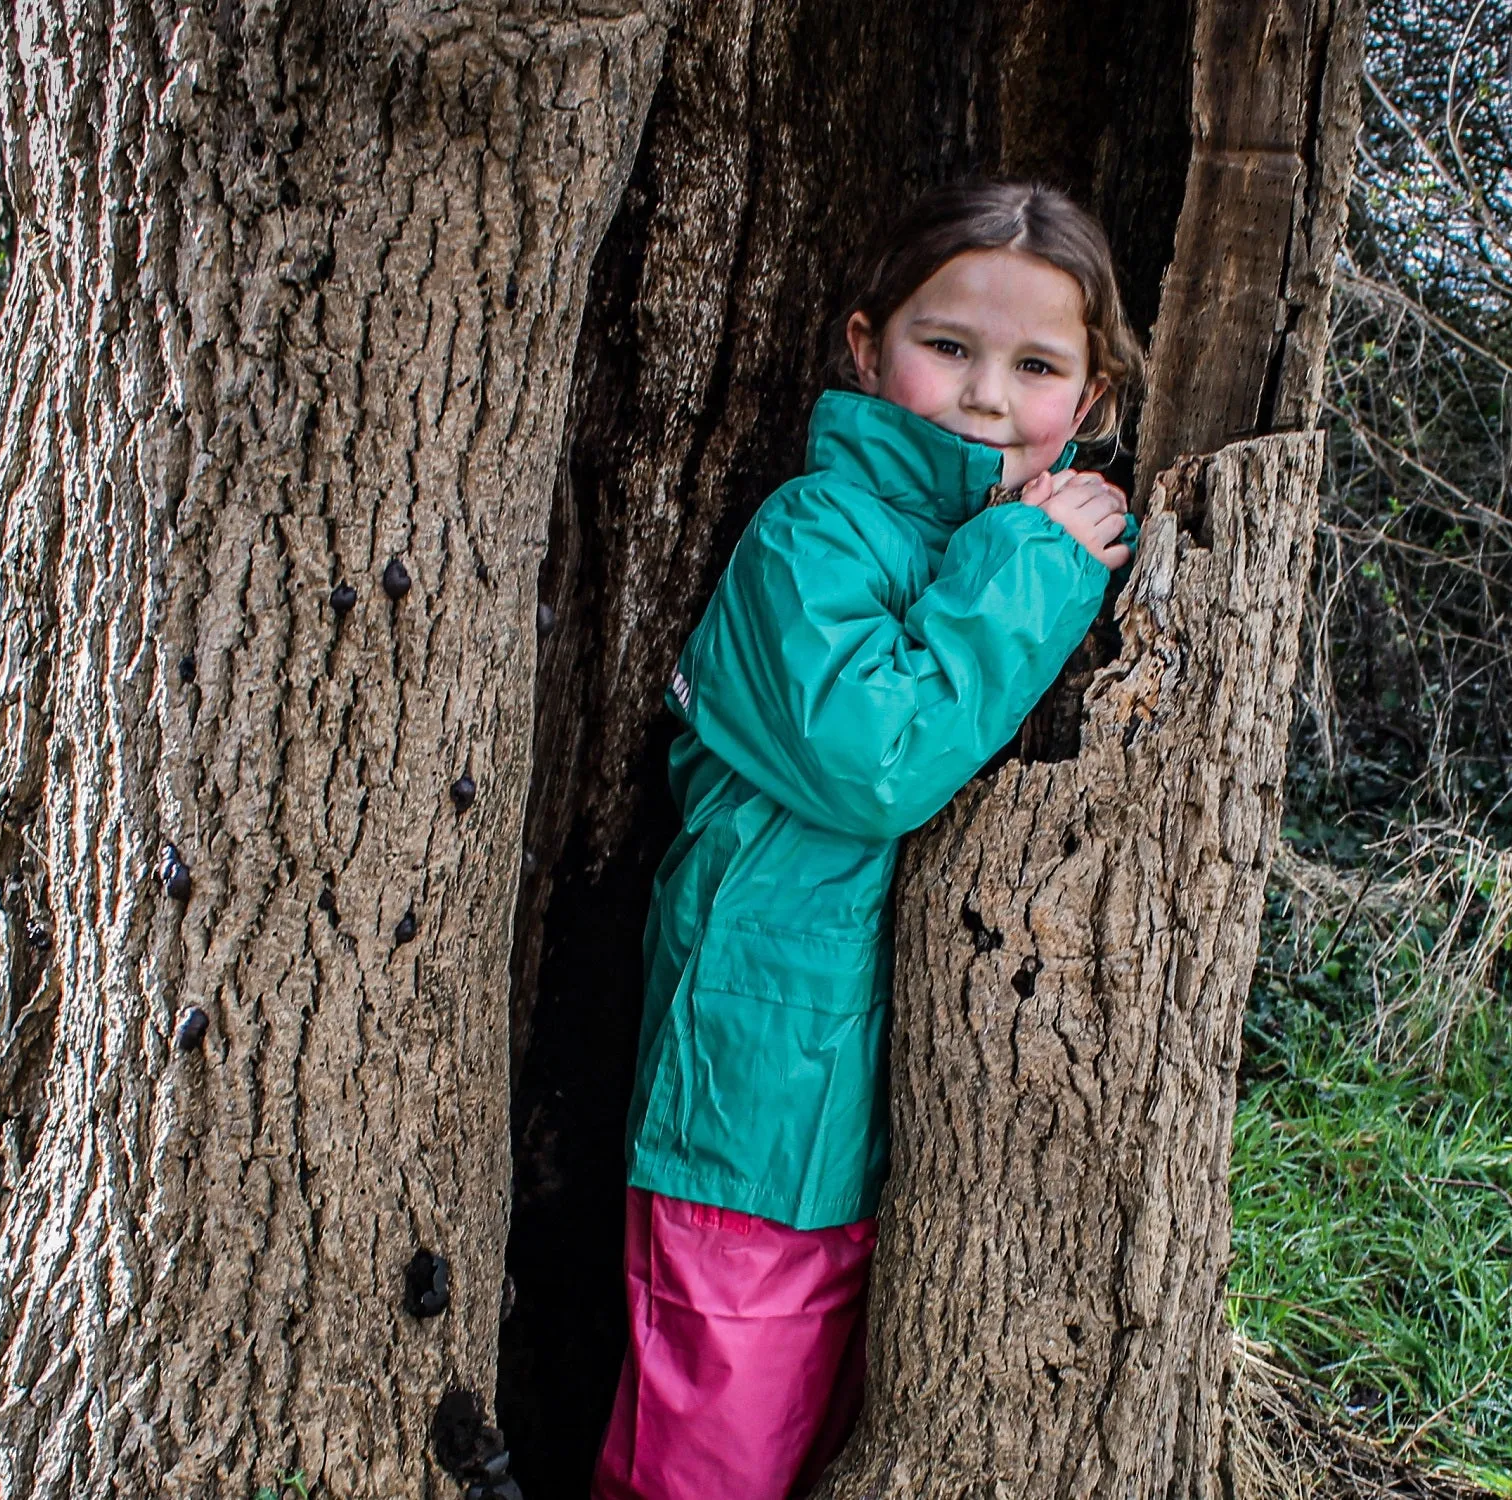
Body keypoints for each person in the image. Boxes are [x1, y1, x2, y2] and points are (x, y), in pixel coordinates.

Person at [591, 179, 1144, 1500]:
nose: (985, 395)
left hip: (921, 1132)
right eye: (945, 345)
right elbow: (874, 758)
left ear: (1094, 398)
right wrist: (1029, 572)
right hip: (761, 1110)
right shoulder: (814, 538)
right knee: (706, 1469)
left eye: (1036, 365)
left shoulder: (1031, 538)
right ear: (863, 348)